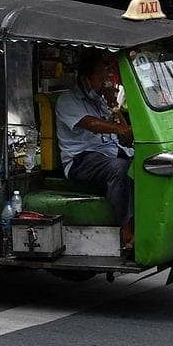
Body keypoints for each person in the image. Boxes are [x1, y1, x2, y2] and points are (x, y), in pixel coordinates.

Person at [55, 52, 135, 250]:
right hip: (80, 160)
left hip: (109, 153)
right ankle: (126, 232)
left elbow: (125, 136)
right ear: (85, 79)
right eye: (101, 76)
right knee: (119, 169)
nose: (106, 81)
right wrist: (118, 129)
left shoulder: (101, 101)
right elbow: (90, 124)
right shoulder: (68, 100)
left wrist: (114, 106)